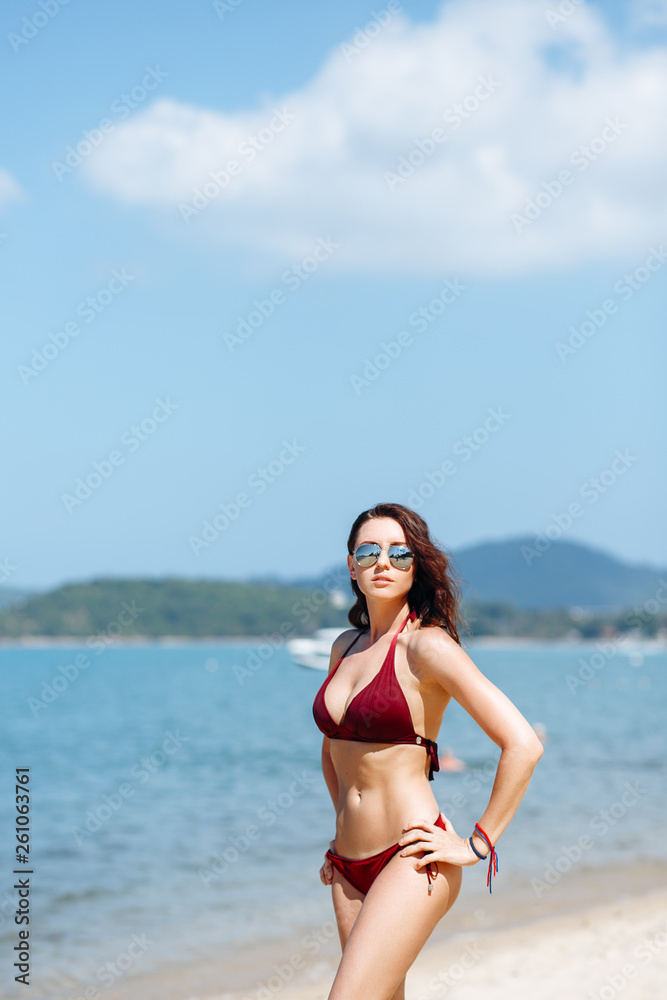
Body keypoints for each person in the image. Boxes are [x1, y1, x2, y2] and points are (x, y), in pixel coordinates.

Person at [312, 502, 544, 1000]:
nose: (383, 563)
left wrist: (476, 845)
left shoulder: (428, 647)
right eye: (369, 551)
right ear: (351, 564)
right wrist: (341, 828)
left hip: (413, 859)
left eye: (399, 553)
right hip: (347, 867)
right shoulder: (344, 647)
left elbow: (522, 745)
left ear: (416, 566)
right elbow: (333, 752)